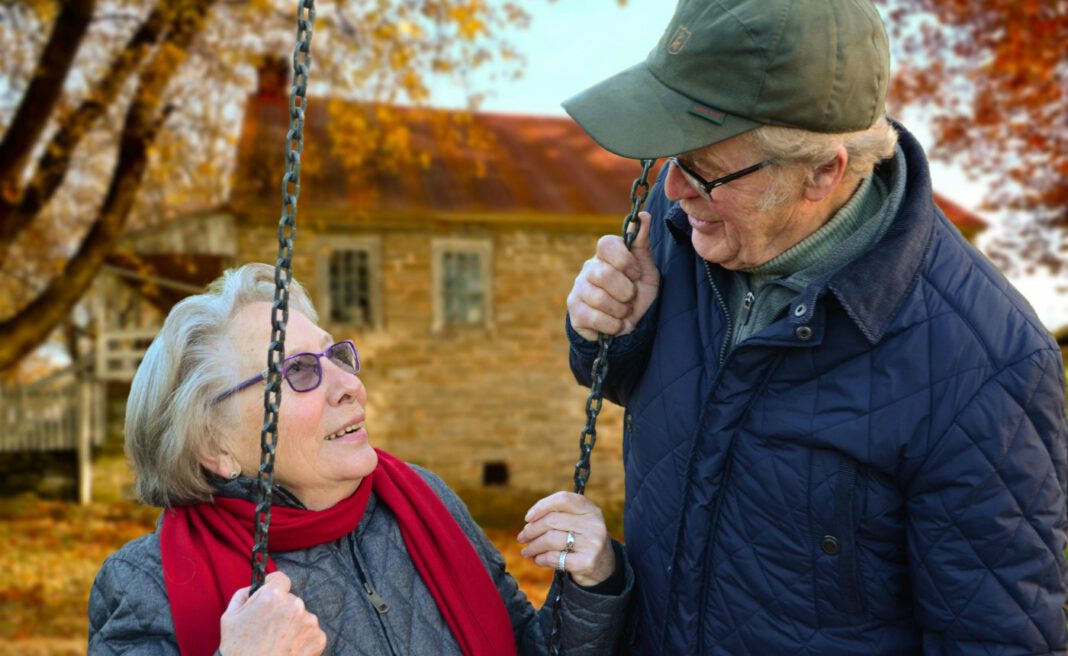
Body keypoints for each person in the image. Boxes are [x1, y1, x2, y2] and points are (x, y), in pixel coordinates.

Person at [562, 0, 1068, 653]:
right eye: (668, 157)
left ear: (823, 173)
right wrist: (610, 331)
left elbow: (997, 638)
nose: (675, 187)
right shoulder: (689, 223)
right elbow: (651, 395)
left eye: (704, 171)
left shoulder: (984, 365)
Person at [88, 263, 631, 655]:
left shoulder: (423, 502)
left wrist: (592, 583)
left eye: (336, 356)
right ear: (214, 446)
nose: (349, 384)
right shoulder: (145, 584)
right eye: (299, 371)